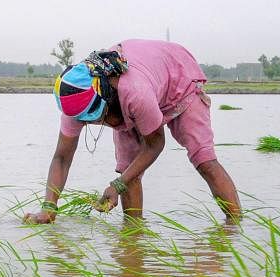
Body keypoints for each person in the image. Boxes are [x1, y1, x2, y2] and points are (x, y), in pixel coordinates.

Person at [24, 40, 240, 224]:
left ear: (105, 92)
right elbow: (61, 158)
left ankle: (235, 229)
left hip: (178, 81)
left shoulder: (134, 92)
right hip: (134, 97)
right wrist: (48, 207)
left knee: (204, 160)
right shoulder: (74, 104)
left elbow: (155, 144)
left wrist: (117, 186)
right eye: (88, 120)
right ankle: (133, 240)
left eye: (98, 115)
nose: (98, 123)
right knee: (128, 171)